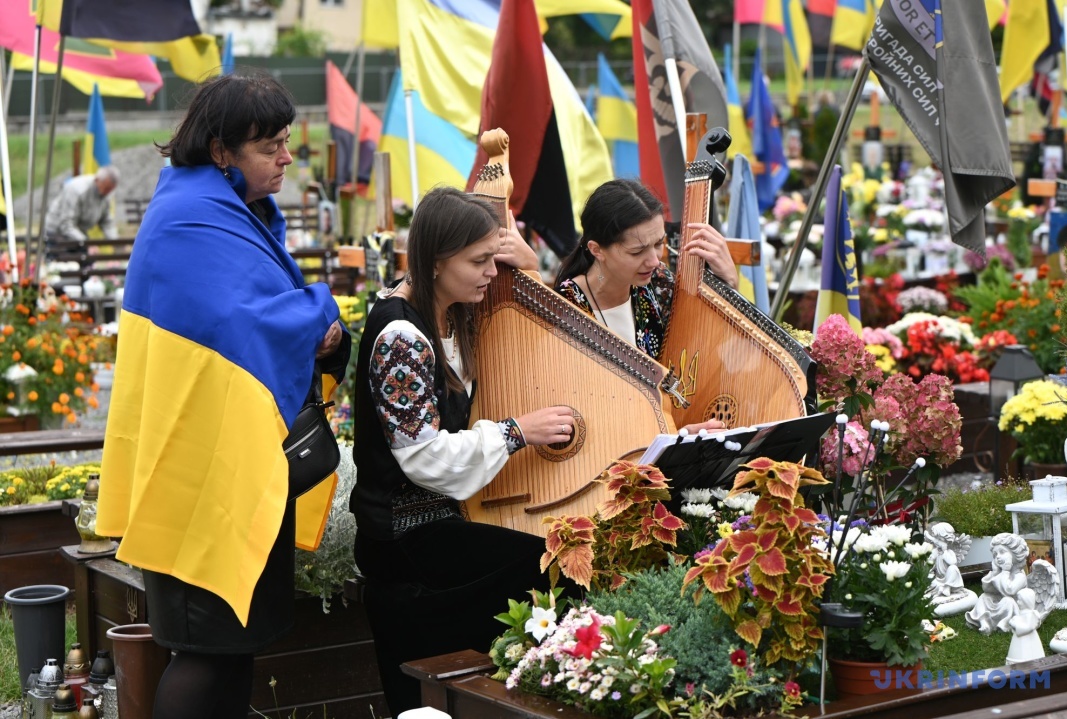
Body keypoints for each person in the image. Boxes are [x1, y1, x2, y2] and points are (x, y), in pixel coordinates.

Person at [96, 73, 350, 719]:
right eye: (269, 146)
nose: (286, 157)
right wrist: (317, 312)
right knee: (203, 648)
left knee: (237, 644)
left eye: (286, 142)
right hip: (194, 470)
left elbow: (251, 313)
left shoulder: (228, 209)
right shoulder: (188, 216)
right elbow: (237, 323)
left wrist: (312, 325)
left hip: (232, 458)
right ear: (219, 151)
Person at [350, 186, 574, 716]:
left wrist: (530, 268)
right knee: (544, 563)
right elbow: (424, 458)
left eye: (491, 261)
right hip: (404, 535)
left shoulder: (451, 314)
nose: (489, 274)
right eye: (477, 262)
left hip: (438, 519)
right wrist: (518, 432)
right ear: (435, 261)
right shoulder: (402, 334)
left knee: (552, 552)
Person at [553, 178, 738, 359]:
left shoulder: (659, 282)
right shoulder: (562, 306)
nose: (654, 262)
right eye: (637, 252)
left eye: (659, 243)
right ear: (596, 250)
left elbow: (710, 345)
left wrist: (730, 284)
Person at [965, 533, 1029, 635]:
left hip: (1012, 605)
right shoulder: (999, 572)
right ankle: (984, 622)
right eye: (995, 554)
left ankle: (1004, 624)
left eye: (1002, 552)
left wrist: (1005, 571)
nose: (998, 557)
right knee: (983, 597)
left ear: (1015, 554)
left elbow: (1009, 591)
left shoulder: (1020, 575)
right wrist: (995, 573)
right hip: (998, 603)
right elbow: (986, 589)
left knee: (1008, 601)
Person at [43, 165, 121, 246]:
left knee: (90, 255)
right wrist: (86, 244)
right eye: (106, 188)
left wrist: (116, 244)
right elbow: (66, 224)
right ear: (97, 180)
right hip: (57, 232)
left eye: (111, 190)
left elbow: (106, 222)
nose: (107, 192)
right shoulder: (76, 190)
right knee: (84, 254)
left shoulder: (107, 194)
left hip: (78, 232)